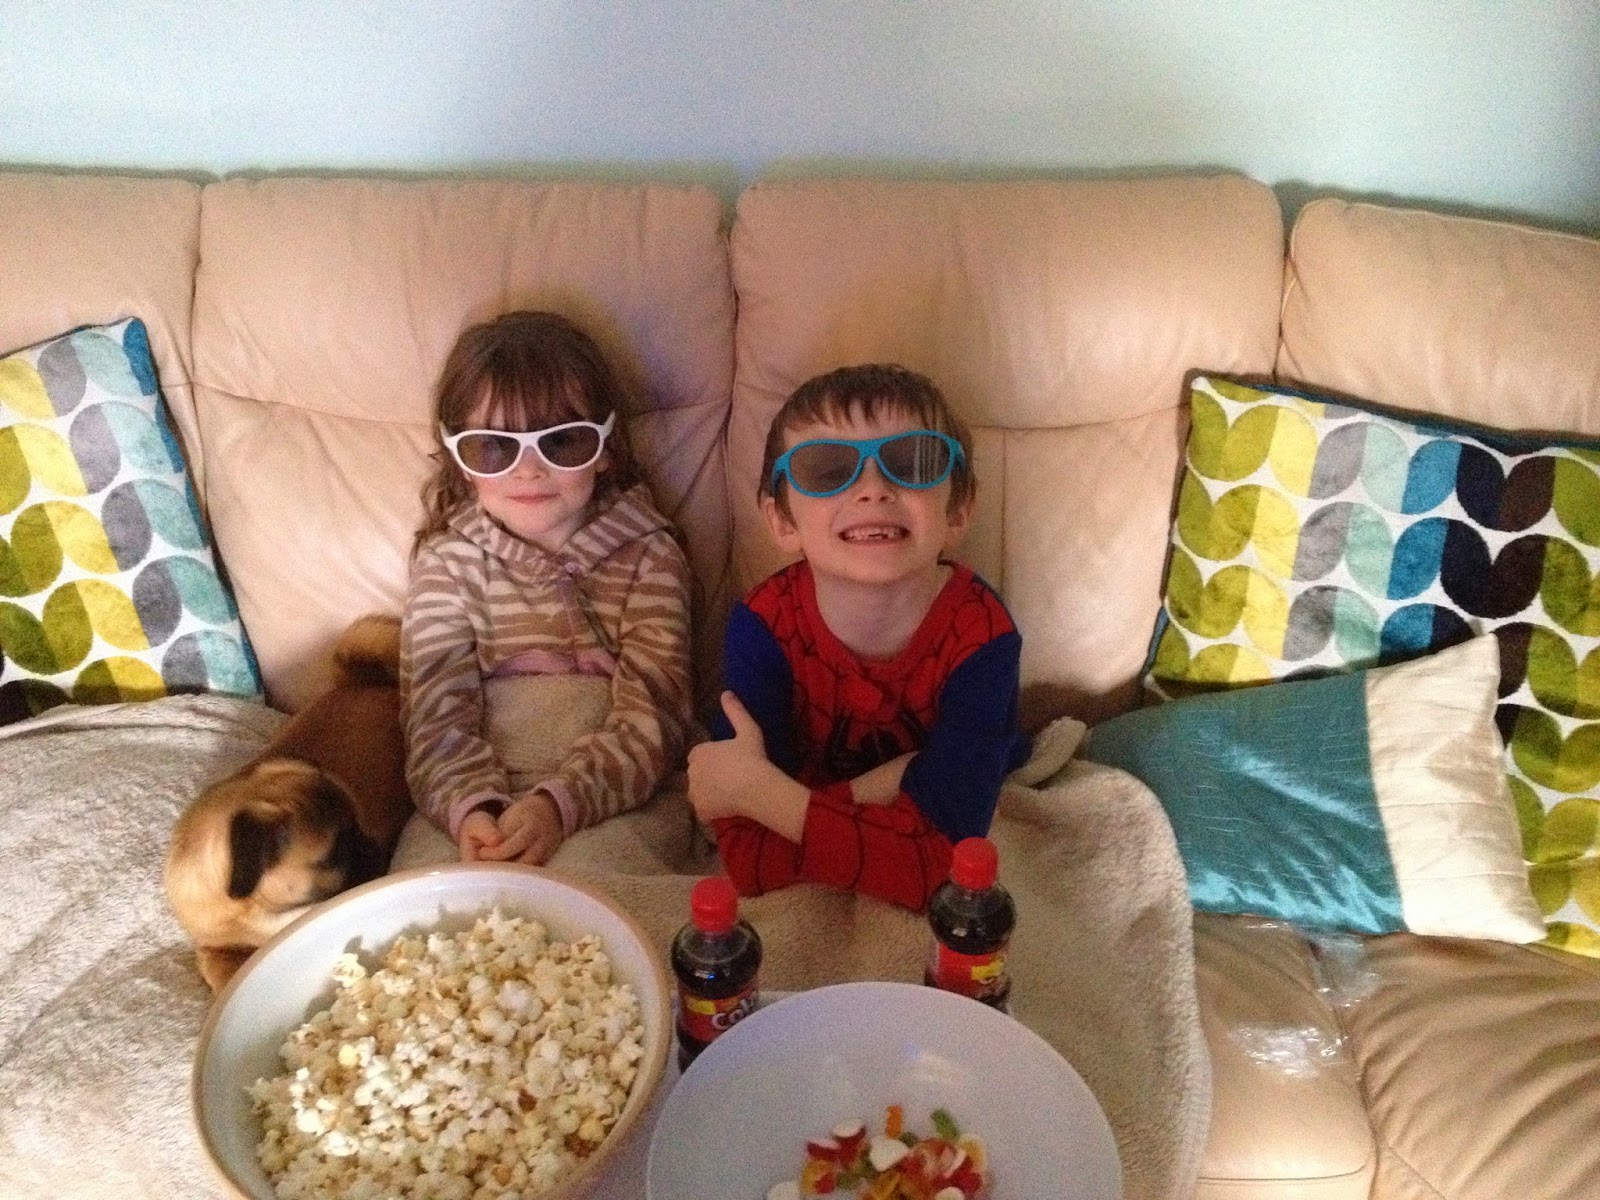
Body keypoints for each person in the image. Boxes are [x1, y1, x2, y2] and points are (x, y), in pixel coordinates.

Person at [687, 363, 1029, 911]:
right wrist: (886, 784)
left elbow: (943, 868)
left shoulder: (984, 640)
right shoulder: (761, 627)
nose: (873, 489)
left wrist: (764, 794)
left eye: (912, 463)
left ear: (958, 511)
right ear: (783, 523)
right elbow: (749, 859)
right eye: (827, 470)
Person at [402, 310, 694, 865]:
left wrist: (559, 806)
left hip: (620, 791)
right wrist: (473, 809)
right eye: (494, 447)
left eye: (562, 442)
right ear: (460, 462)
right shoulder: (447, 565)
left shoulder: (651, 556)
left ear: (606, 449)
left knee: (597, 889)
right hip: (470, 795)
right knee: (430, 897)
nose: (529, 469)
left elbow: (656, 714)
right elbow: (434, 720)